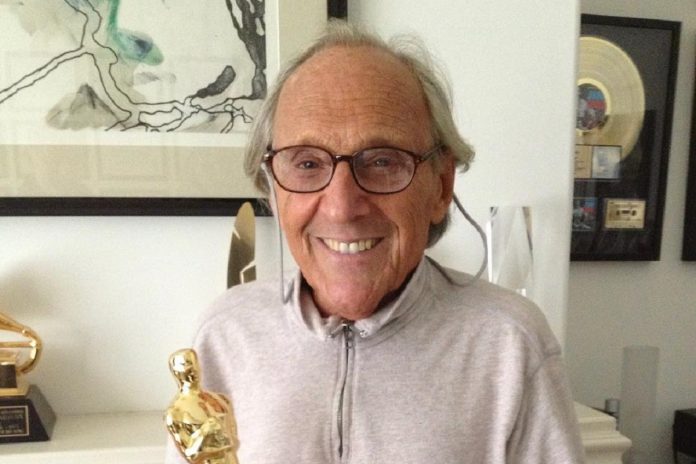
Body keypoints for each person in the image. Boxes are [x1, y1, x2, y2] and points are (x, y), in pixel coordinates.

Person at [166, 21, 584, 463]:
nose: (341, 207)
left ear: (440, 186)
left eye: (383, 161)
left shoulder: (511, 344)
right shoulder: (226, 334)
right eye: (306, 164)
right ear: (272, 187)